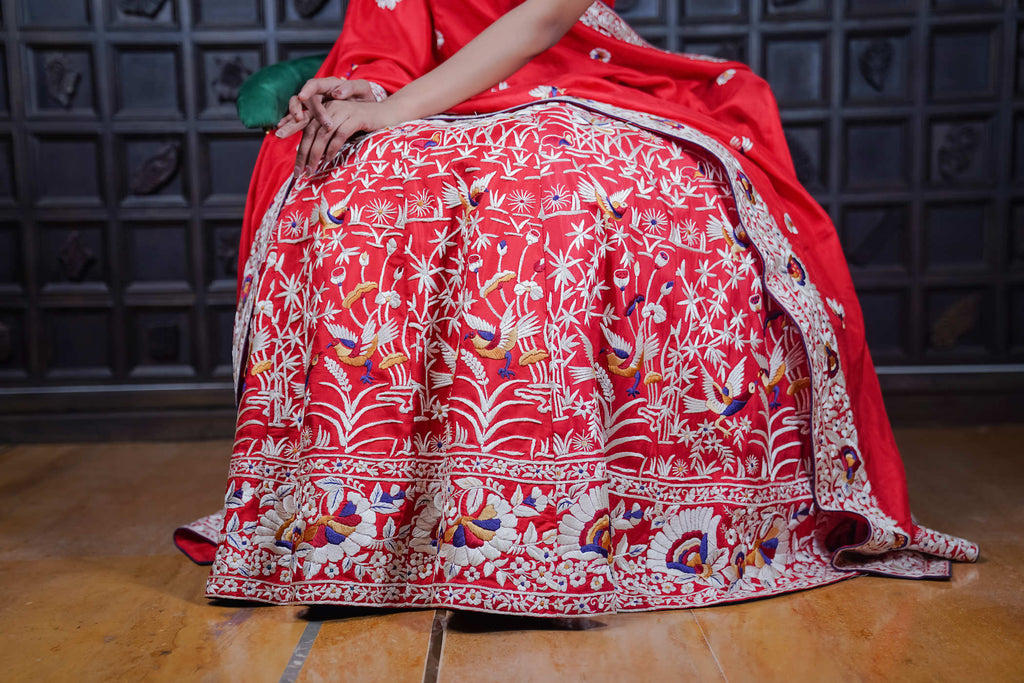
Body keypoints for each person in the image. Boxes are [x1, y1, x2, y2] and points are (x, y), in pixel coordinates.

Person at [174, 0, 977, 616]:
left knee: (554, 190)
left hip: (571, 71)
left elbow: (549, 11)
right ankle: (354, 529)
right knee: (355, 182)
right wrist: (371, 88)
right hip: (423, 77)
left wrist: (395, 109)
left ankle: (568, 533)